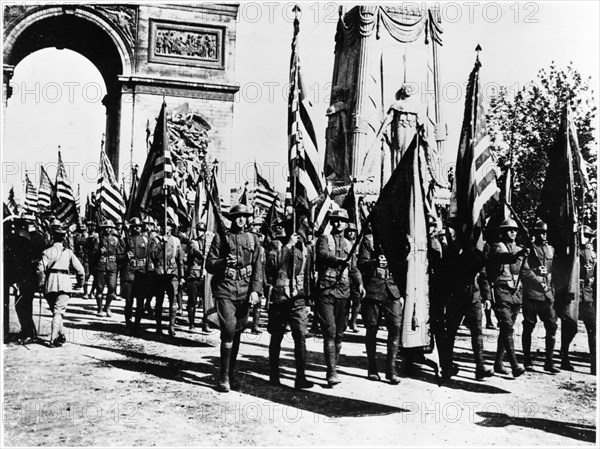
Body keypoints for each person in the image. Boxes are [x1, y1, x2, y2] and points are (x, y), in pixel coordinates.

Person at [206, 204, 263, 392]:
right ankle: (222, 376)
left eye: (244, 216)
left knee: (238, 330)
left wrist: (255, 290)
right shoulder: (221, 238)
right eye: (237, 216)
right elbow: (209, 264)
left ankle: (231, 373)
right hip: (225, 288)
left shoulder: (253, 239)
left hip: (245, 290)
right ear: (232, 218)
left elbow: (257, 268)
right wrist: (223, 262)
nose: (241, 219)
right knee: (229, 329)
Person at [315, 209, 365, 387]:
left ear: (346, 224)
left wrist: (359, 283)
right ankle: (332, 372)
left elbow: (354, 268)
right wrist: (337, 260)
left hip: (343, 292)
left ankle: (333, 366)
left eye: (342, 221)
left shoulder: (350, 244)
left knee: (340, 333)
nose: (338, 224)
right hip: (326, 291)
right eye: (335, 220)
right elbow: (321, 256)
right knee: (329, 330)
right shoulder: (323, 239)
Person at [265, 216, 314, 389]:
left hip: (298, 299)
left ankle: (300, 377)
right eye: (298, 230)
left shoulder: (306, 250)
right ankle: (274, 375)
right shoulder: (276, 244)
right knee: (276, 336)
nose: (300, 233)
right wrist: (288, 246)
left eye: (303, 231)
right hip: (280, 298)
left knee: (300, 336)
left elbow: (307, 276)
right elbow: (273, 265)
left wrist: (308, 301)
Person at [487, 219, 533, 378]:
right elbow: (503, 257)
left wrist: (541, 283)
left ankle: (498, 364)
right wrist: (519, 253)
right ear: (502, 232)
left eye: (515, 230)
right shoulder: (496, 247)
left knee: (506, 330)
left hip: (516, 293)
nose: (513, 232)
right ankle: (514, 365)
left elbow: (525, 271)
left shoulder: (520, 249)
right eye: (509, 230)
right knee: (507, 327)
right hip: (501, 292)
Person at [357, 228, 402, 384]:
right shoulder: (369, 239)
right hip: (373, 290)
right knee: (372, 328)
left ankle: (391, 369)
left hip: (392, 290)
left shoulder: (398, 239)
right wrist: (375, 262)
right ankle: (372, 368)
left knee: (396, 327)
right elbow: (361, 263)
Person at [37, 221, 85, 347]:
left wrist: (41, 284)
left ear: (53, 237)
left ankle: (61, 335)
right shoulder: (68, 252)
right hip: (64, 284)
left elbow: (40, 269)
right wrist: (80, 283)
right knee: (58, 312)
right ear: (64, 238)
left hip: (50, 284)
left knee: (56, 312)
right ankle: (52, 339)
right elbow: (81, 270)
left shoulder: (46, 252)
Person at [521, 221, 559, 373]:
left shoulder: (551, 249)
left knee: (552, 327)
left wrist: (551, 286)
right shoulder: (529, 249)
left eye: (545, 232)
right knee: (529, 326)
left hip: (547, 294)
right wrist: (537, 273)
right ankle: (527, 360)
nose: (544, 235)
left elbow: (554, 270)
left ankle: (549, 362)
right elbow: (524, 271)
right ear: (535, 234)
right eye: (540, 232)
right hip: (532, 293)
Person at [561, 225, 597, 373]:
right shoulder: (572, 253)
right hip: (574, 297)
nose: (586, 239)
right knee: (570, 328)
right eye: (584, 236)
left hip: (587, 297)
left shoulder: (592, 254)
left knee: (594, 329)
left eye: (589, 236)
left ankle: (595, 364)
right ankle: (564, 357)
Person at [149, 221, 183, 336]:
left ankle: (171, 327)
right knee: (159, 300)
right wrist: (160, 244)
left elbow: (180, 260)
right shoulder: (156, 240)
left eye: (169, 228)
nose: (167, 229)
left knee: (173, 300)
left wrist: (181, 276)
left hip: (172, 273)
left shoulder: (176, 240)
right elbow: (152, 255)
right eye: (165, 227)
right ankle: (159, 327)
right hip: (160, 273)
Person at [92, 219, 125, 317]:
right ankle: (100, 309)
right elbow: (93, 253)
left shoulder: (116, 239)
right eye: (106, 227)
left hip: (112, 266)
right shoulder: (98, 239)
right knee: (100, 289)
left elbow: (120, 253)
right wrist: (99, 252)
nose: (108, 229)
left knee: (111, 288)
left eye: (110, 227)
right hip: (101, 266)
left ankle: (107, 306)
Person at [123, 217, 149, 334]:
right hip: (129, 273)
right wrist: (125, 257)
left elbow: (149, 256)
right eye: (135, 226)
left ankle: (137, 324)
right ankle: (128, 324)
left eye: (139, 226)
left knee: (140, 301)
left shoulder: (145, 240)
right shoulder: (125, 240)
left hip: (142, 274)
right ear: (131, 228)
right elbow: (118, 256)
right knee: (129, 301)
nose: (137, 228)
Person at [186, 222, 206, 332]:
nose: (200, 232)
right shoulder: (193, 242)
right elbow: (195, 252)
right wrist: (204, 254)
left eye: (202, 230)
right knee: (192, 300)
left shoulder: (209, 243)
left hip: (204, 275)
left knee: (205, 301)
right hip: (194, 274)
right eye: (199, 230)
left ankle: (205, 323)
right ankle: (192, 324)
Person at [345, 222, 361, 333]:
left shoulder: (357, 244)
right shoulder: (344, 243)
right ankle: (345, 321)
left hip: (355, 273)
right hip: (345, 273)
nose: (351, 233)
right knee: (345, 300)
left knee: (357, 300)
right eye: (349, 231)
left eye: (353, 232)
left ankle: (353, 321)